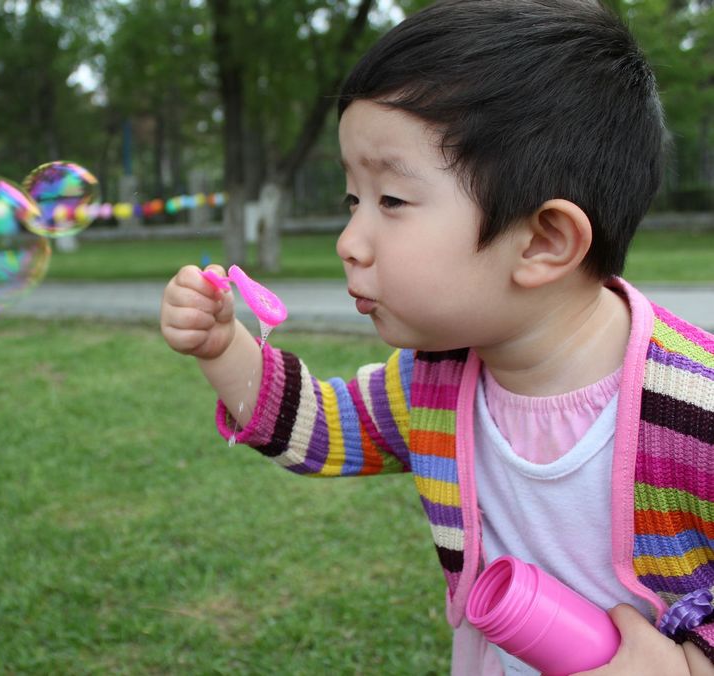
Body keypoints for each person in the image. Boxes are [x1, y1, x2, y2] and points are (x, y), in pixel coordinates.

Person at [160, 1, 714, 674]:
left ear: (543, 241)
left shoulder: (694, 407)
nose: (348, 242)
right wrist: (226, 349)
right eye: (352, 200)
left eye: (391, 201)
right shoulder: (437, 378)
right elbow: (324, 430)